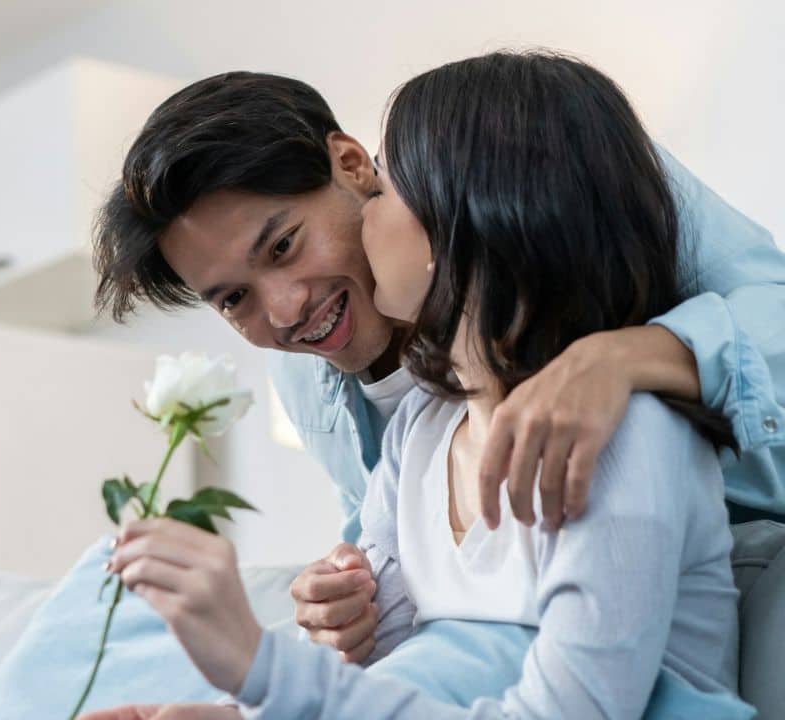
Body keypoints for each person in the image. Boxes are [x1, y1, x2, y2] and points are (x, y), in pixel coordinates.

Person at [80, 52, 783, 718]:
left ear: (356, 167)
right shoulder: (373, 408)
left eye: (285, 245)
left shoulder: (538, 159)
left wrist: (626, 357)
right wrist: (331, 623)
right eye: (234, 299)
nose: (287, 311)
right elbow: (403, 614)